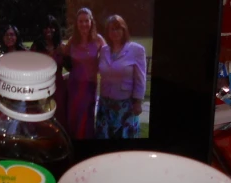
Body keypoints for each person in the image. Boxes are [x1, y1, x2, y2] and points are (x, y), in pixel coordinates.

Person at [96, 15, 146, 139]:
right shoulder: (103, 50)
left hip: (125, 106)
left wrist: (138, 102)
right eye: (111, 29)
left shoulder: (137, 50)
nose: (115, 32)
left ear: (124, 30)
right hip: (105, 105)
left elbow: (140, 78)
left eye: (118, 28)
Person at [65, 7, 105, 139]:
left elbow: (108, 59)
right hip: (74, 85)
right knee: (74, 117)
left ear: (91, 22)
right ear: (76, 23)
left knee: (87, 118)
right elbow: (63, 58)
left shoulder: (98, 40)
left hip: (89, 85)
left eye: (86, 21)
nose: (83, 24)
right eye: (80, 21)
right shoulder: (72, 40)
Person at [30, 15, 67, 130]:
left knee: (59, 121)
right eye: (46, 28)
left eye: (52, 27)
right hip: (41, 90)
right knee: (42, 122)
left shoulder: (61, 47)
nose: (49, 30)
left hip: (58, 89)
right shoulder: (36, 47)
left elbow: (71, 67)